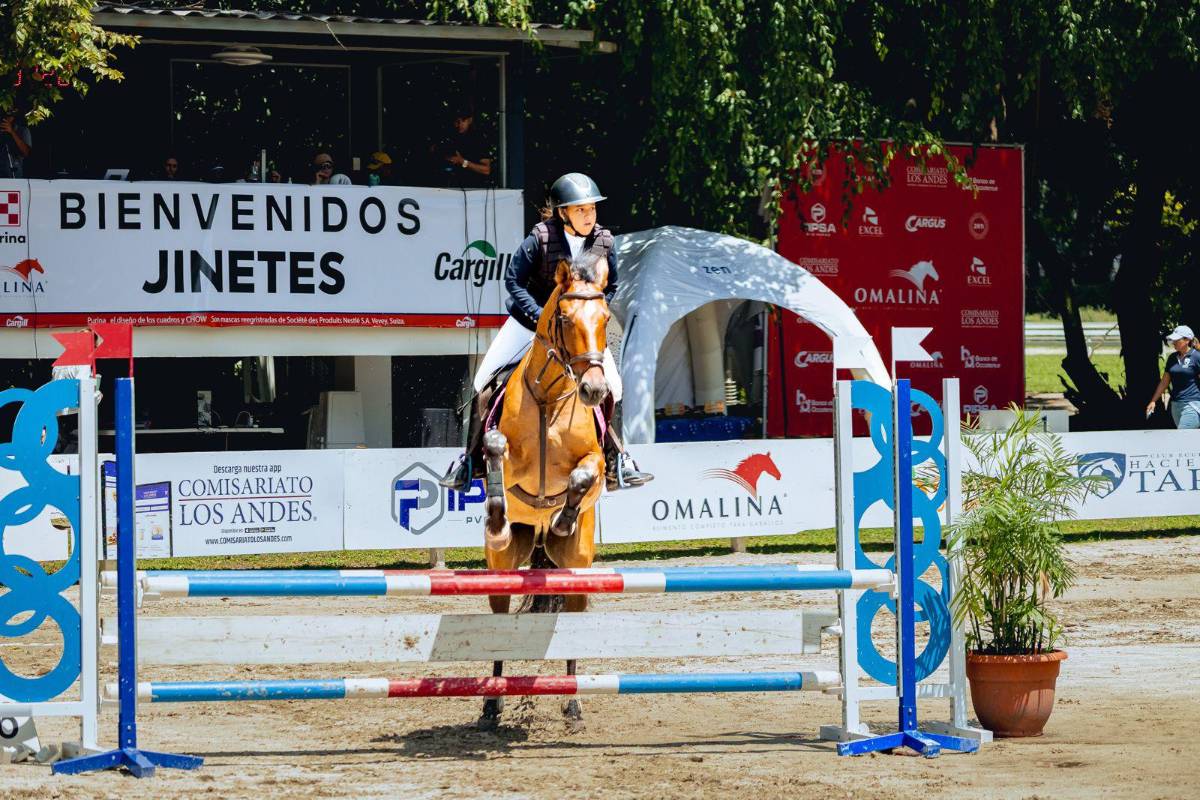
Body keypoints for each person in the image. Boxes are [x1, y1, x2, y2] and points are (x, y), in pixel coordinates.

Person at [439, 172, 652, 491]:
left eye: (592, 208)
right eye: (581, 209)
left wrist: (589, 314)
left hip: (578, 331)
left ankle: (617, 458)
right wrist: (540, 317)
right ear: (563, 212)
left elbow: (614, 285)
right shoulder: (540, 238)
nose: (589, 215)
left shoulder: (604, 241)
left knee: (614, 387)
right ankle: (470, 460)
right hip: (529, 325)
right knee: (482, 381)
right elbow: (513, 281)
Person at [1146, 325, 1200, 429]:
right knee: (1186, 442)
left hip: (1192, 405)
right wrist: (1153, 400)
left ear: (1187, 340)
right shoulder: (1172, 358)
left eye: (1177, 339)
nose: (1173, 342)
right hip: (1175, 406)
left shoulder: (1197, 357)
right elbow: (1164, 382)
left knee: (1182, 438)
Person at [432, 108, 493, 188]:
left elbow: (486, 170)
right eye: (456, 122)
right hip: (450, 186)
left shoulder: (478, 140)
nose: (459, 125)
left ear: (469, 120)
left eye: (462, 121)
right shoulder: (451, 137)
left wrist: (462, 161)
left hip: (474, 188)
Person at [1, 105, 33, 179]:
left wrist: (12, 132)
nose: (7, 119)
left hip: (14, 176)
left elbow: (26, 152)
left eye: (10, 116)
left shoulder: (23, 130)